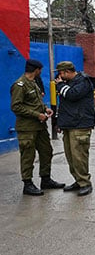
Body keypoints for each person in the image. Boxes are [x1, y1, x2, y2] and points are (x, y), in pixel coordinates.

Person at [10, 59, 65, 196]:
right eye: (40, 70)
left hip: (39, 127)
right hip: (27, 128)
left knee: (46, 151)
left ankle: (45, 179)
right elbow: (16, 106)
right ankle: (27, 184)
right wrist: (36, 115)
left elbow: (35, 102)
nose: (40, 72)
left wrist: (45, 109)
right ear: (36, 70)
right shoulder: (20, 85)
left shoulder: (33, 83)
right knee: (28, 155)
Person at [55, 61, 95, 196]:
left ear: (67, 71)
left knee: (79, 157)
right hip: (69, 124)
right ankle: (78, 181)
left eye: (60, 73)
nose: (59, 76)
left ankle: (85, 183)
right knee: (71, 156)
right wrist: (61, 123)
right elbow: (66, 105)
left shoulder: (83, 81)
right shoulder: (68, 84)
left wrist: (60, 85)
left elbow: (72, 95)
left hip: (80, 125)